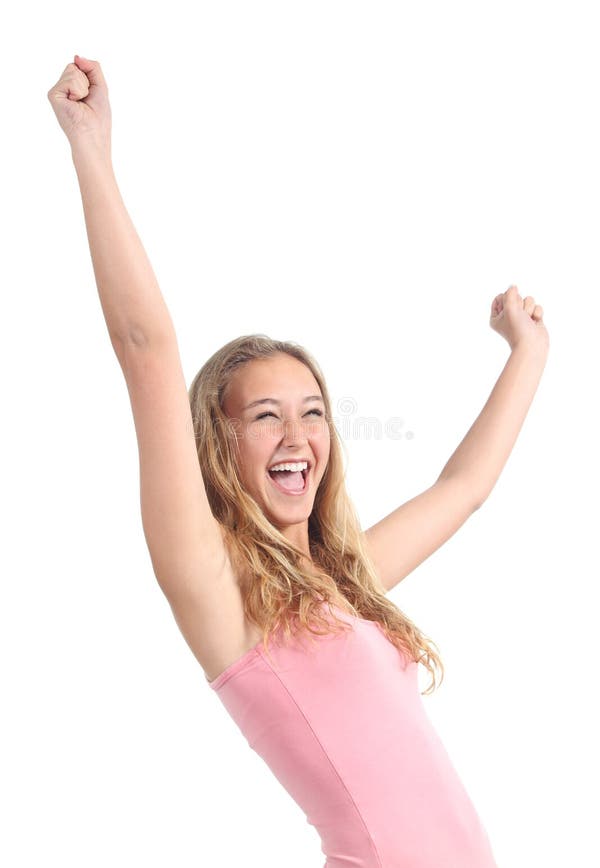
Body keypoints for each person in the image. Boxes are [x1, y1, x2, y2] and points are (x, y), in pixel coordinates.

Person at [48, 55, 549, 868]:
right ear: (219, 441)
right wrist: (90, 145)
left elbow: (464, 488)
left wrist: (529, 350)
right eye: (267, 417)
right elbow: (145, 346)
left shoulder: (343, 582)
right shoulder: (217, 587)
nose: (297, 437)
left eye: (313, 414)